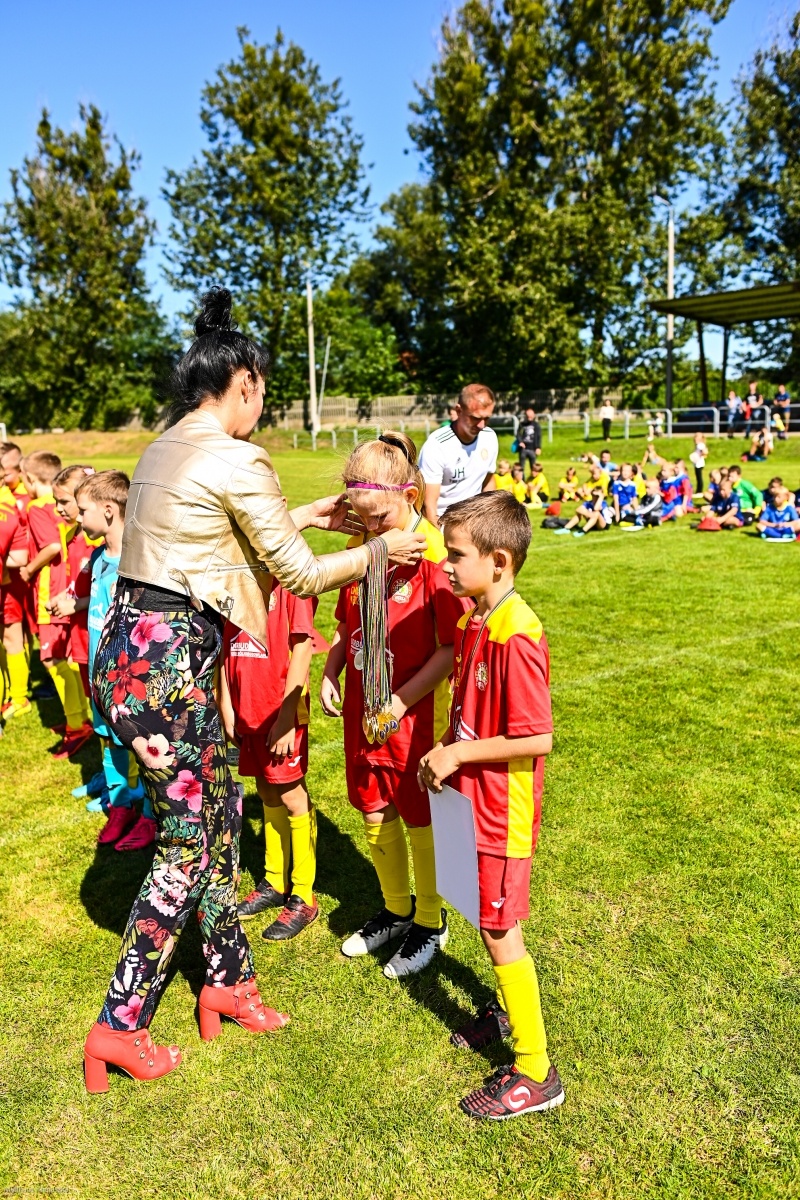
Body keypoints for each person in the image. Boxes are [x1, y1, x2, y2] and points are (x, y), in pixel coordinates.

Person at [83, 287, 427, 1094]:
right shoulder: (237, 455)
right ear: (243, 383)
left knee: (217, 821)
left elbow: (206, 536)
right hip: (168, 667)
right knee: (187, 842)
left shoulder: (167, 444)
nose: (262, 410)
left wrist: (301, 509)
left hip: (131, 657)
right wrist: (386, 552)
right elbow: (298, 574)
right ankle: (118, 1025)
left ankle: (227, 985)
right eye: (262, 394)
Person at [418, 490, 563, 1120]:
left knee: (501, 929)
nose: (446, 565)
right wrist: (449, 747)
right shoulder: (474, 619)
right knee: (485, 916)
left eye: (456, 555)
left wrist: (457, 757)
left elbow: (537, 736)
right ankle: (504, 1011)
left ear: (498, 561)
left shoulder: (517, 633)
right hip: (475, 803)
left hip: (504, 812)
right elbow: (472, 712)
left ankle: (535, 1070)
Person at [320, 432, 469, 978]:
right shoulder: (367, 550)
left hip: (412, 714)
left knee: (416, 811)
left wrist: (401, 704)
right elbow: (346, 622)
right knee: (372, 805)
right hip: (366, 707)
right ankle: (395, 909)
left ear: (410, 494)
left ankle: (430, 921)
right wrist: (333, 670)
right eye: (362, 519)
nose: (372, 528)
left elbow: (450, 650)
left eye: (380, 516)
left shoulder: (436, 556)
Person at [220, 581, 319, 942]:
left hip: (279, 715)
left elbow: (304, 646)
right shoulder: (234, 578)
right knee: (267, 792)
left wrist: (287, 717)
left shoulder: (292, 581)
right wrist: (227, 705)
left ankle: (304, 894)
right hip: (246, 713)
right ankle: (275, 880)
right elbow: (224, 648)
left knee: (292, 796)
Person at [73, 471, 154, 851]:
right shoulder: (96, 557)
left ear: (108, 510)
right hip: (97, 675)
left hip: (128, 682)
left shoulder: (139, 560)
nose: (76, 517)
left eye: (82, 510)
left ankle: (154, 817)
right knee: (109, 742)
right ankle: (121, 804)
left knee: (144, 745)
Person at [20, 451, 94, 758]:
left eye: (63, 502)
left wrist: (28, 570)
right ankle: (80, 723)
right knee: (67, 663)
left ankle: (78, 724)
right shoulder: (76, 531)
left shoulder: (41, 510)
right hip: (66, 601)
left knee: (56, 661)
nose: (57, 508)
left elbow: (53, 550)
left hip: (64, 605)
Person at [419, 383, 498, 522]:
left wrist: (492, 520)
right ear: (459, 410)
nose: (482, 425)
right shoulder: (437, 445)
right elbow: (428, 506)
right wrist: (440, 539)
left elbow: (488, 483)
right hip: (444, 521)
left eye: (487, 418)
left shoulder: (489, 437)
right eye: (475, 418)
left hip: (475, 521)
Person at [0, 442, 32, 719]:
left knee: (13, 637)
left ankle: (18, 695)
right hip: (9, 581)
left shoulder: (16, 503)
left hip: (10, 585)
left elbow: (20, 557)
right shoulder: (10, 504)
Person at [516, 407, 541, 478]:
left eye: (531, 415)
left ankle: (532, 480)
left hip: (532, 449)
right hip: (523, 449)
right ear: (525, 415)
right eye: (528, 415)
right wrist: (520, 441)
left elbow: (539, 437)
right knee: (521, 467)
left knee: (533, 467)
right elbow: (518, 433)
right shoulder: (522, 424)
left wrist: (538, 447)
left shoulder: (536, 425)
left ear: (533, 415)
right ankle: (521, 480)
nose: (529, 417)